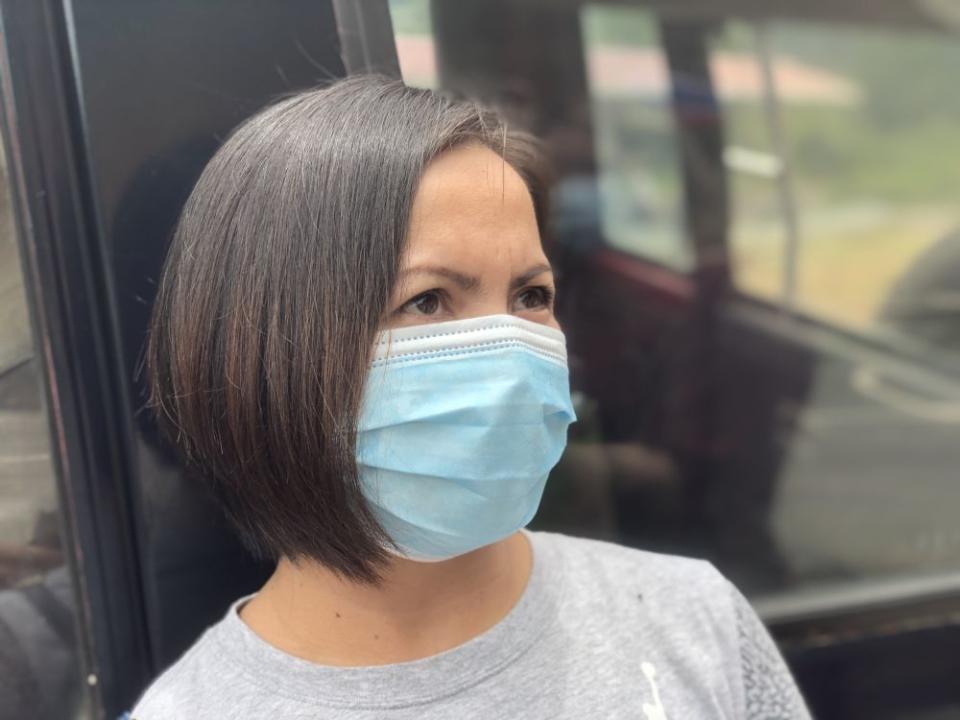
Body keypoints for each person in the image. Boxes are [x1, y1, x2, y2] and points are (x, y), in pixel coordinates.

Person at [130, 74, 811, 719]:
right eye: (427, 300)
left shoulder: (692, 620)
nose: (510, 354)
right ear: (265, 349)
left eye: (531, 296)